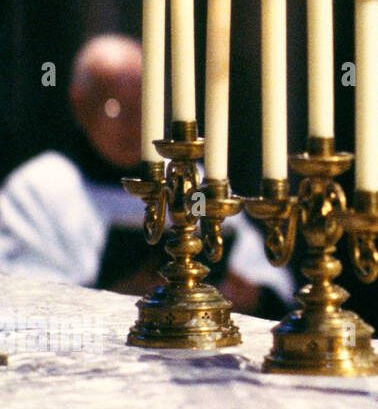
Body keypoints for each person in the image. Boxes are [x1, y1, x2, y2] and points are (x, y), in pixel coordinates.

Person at [0, 35, 294, 315]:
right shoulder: (37, 188)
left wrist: (242, 293)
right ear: (81, 104)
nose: (135, 124)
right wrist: (115, 295)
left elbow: (264, 278)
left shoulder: (189, 182)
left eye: (146, 107)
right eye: (117, 109)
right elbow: (21, 295)